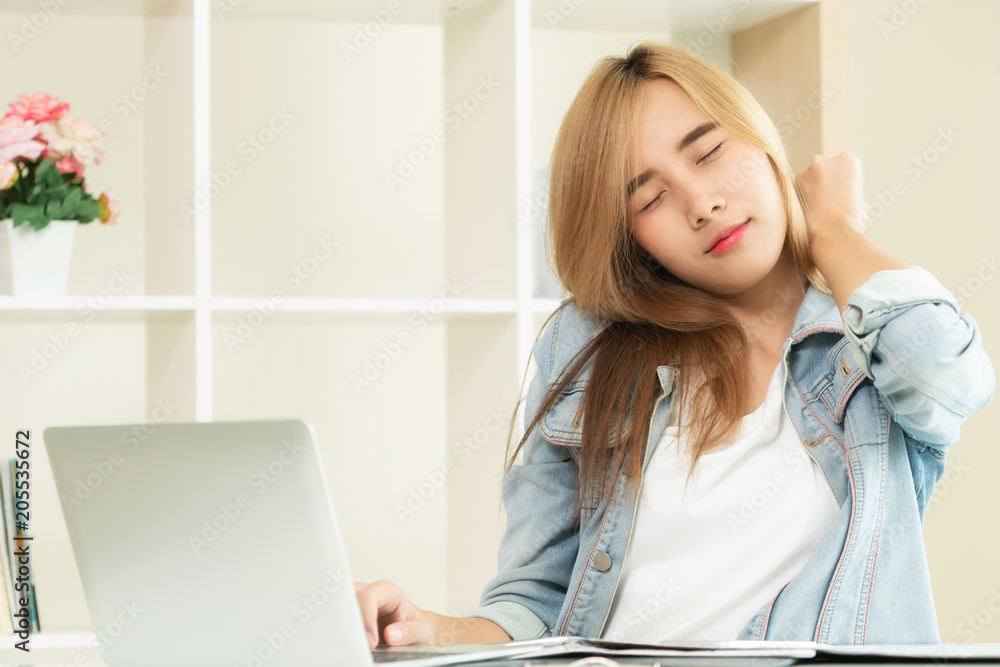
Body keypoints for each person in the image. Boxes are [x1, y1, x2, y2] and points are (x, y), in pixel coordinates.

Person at [354, 41, 995, 647]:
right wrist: (429, 631)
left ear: (757, 136)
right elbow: (537, 601)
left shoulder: (865, 343)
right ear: (632, 241)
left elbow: (947, 373)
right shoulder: (587, 347)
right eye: (652, 197)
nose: (701, 203)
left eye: (710, 152)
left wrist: (831, 228)